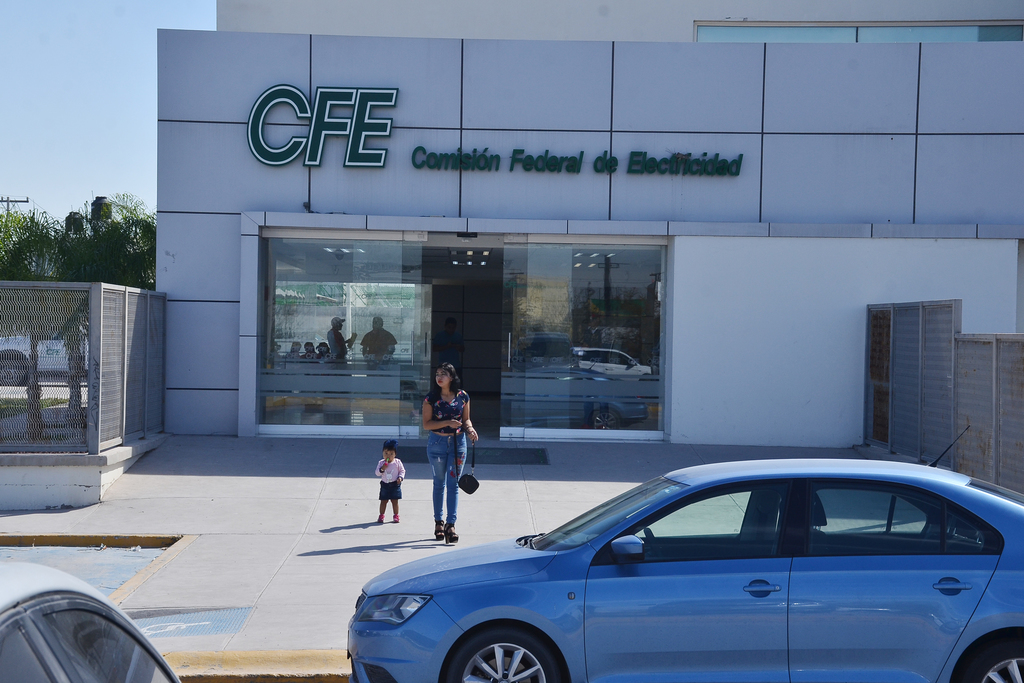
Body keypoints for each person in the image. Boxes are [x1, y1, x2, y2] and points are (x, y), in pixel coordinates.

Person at [422, 362, 478, 544]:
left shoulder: (463, 396)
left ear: (452, 377)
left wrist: (470, 430)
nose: (439, 377)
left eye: (443, 374)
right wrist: (447, 423)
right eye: (437, 373)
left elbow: (466, 419)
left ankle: (450, 525)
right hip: (437, 444)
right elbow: (426, 424)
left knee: (453, 484)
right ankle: (438, 522)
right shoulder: (431, 398)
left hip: (458, 444)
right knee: (439, 483)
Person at [376, 439, 405, 523]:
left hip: (395, 484)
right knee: (383, 501)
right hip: (385, 485)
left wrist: (400, 477)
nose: (388, 456)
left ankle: (396, 515)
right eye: (386, 453)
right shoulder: (381, 463)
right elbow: (377, 473)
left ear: (395, 454)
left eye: (391, 454)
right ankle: (381, 515)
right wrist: (382, 469)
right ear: (382, 453)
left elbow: (402, 471)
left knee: (394, 501)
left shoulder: (397, 462)